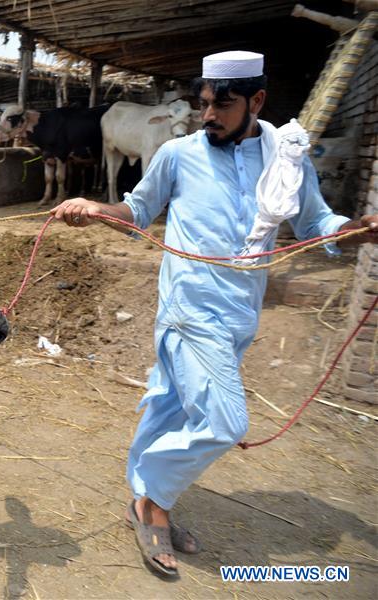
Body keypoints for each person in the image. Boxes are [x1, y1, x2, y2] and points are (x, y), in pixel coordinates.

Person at [50, 50, 378, 577]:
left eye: (222, 106)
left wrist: (351, 230)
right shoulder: (178, 153)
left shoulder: (286, 156)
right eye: (204, 104)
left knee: (176, 411)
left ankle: (153, 498)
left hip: (240, 314)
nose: (208, 116)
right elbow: (137, 210)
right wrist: (95, 211)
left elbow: (317, 221)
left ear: (258, 101)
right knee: (227, 421)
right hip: (189, 309)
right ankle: (150, 502)